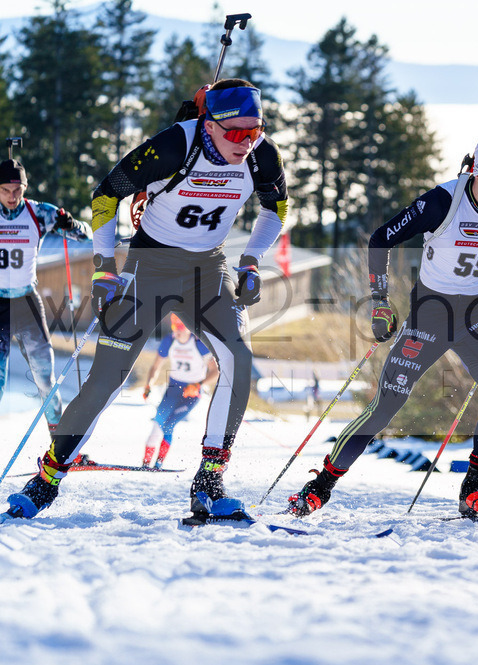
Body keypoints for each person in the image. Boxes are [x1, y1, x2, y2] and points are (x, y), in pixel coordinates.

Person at [6, 78, 289, 520]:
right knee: (108, 376)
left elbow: (277, 208)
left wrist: (251, 261)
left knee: (238, 358)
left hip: (208, 270)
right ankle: (48, 478)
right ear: (209, 125)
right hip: (148, 268)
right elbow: (106, 194)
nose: (247, 143)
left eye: (256, 131)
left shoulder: (262, 155)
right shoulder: (175, 146)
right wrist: (102, 265)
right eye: (236, 133)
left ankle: (210, 483)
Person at [287, 134, 478, 522]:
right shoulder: (441, 201)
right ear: (475, 173)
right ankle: (321, 485)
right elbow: (380, 239)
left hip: (475, 310)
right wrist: (380, 301)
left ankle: (474, 489)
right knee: (387, 402)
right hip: (430, 312)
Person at [0, 158, 92, 431]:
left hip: (27, 302)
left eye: (18, 190)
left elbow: (85, 236)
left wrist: (70, 223)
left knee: (45, 379)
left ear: (26, 187)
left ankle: (59, 447)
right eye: (5, 189)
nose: (12, 196)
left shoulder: (40, 212)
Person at [141, 313, 220, 469]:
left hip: (191, 393)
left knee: (169, 425)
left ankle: (158, 463)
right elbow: (156, 366)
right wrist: (149, 384)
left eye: (180, 327)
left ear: (188, 328)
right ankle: (145, 464)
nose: (176, 331)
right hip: (173, 389)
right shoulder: (169, 341)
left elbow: (216, 372)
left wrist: (199, 384)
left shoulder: (200, 345)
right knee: (158, 422)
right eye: (174, 327)